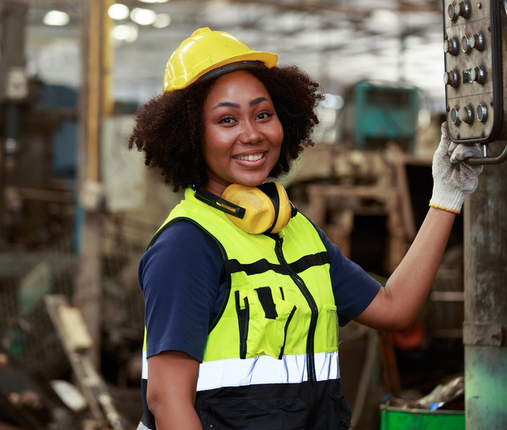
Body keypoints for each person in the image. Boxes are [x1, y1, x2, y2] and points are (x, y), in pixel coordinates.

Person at [128, 27, 481, 430]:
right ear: (191, 136)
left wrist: (446, 197)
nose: (252, 133)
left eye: (263, 114)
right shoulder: (187, 244)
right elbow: (167, 401)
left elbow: (395, 309)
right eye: (227, 120)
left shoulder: (297, 232)